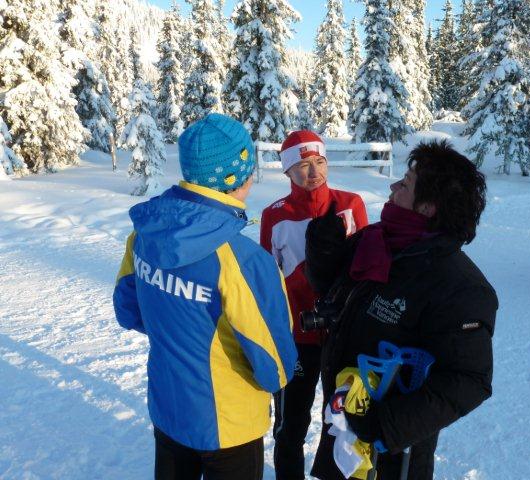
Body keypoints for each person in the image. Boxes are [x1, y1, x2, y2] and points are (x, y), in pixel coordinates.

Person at [113, 113, 297, 480]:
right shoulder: (242, 259)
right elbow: (275, 367)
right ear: (240, 176)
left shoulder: (147, 233)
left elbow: (128, 310)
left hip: (169, 408)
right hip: (228, 425)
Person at [304, 140, 498, 479]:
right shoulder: (376, 241)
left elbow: (469, 379)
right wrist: (323, 255)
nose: (393, 187)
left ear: (427, 208)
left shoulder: (460, 286)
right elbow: (333, 295)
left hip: (392, 451)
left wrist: (383, 424)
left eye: (406, 183)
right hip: (343, 421)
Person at [260, 130, 368, 480]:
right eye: (303, 165)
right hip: (297, 339)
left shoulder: (351, 205)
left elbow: (366, 272)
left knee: (340, 423)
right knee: (291, 425)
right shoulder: (274, 215)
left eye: (320, 162)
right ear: (288, 172)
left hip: (343, 337)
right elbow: (267, 281)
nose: (314, 172)